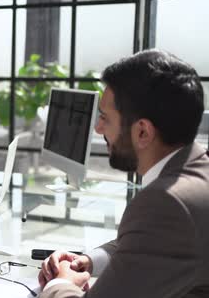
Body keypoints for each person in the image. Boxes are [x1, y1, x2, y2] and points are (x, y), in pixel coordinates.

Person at [38, 49, 209, 297]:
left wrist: (59, 283)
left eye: (105, 118)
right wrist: (89, 260)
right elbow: (153, 243)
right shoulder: (196, 174)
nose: (97, 129)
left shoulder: (167, 203)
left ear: (142, 132)